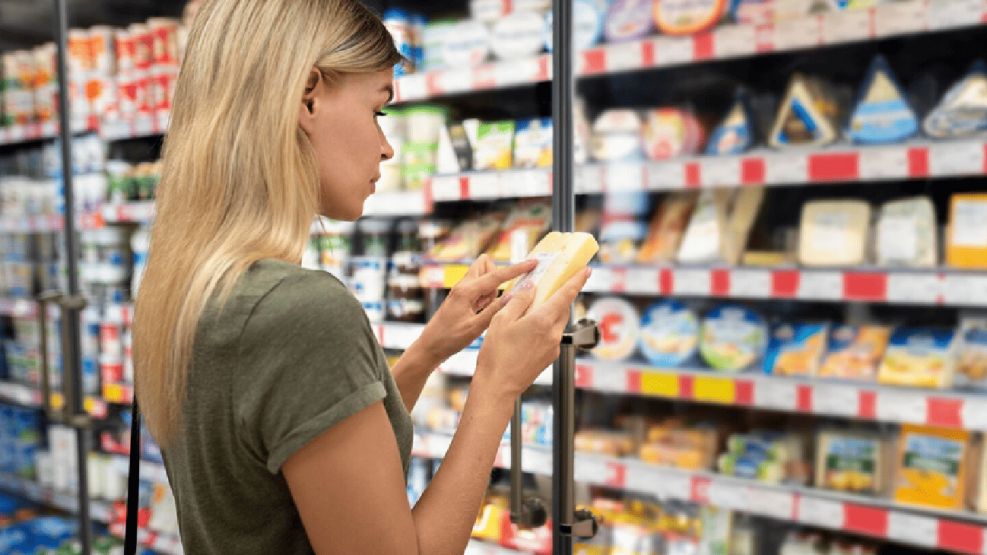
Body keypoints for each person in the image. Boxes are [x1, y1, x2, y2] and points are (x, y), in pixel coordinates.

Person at [132, 1, 590, 553]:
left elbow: (309, 454)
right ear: (307, 95)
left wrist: (427, 352)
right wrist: (498, 384)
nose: (386, 146)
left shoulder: (193, 287)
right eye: (380, 111)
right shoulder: (299, 310)